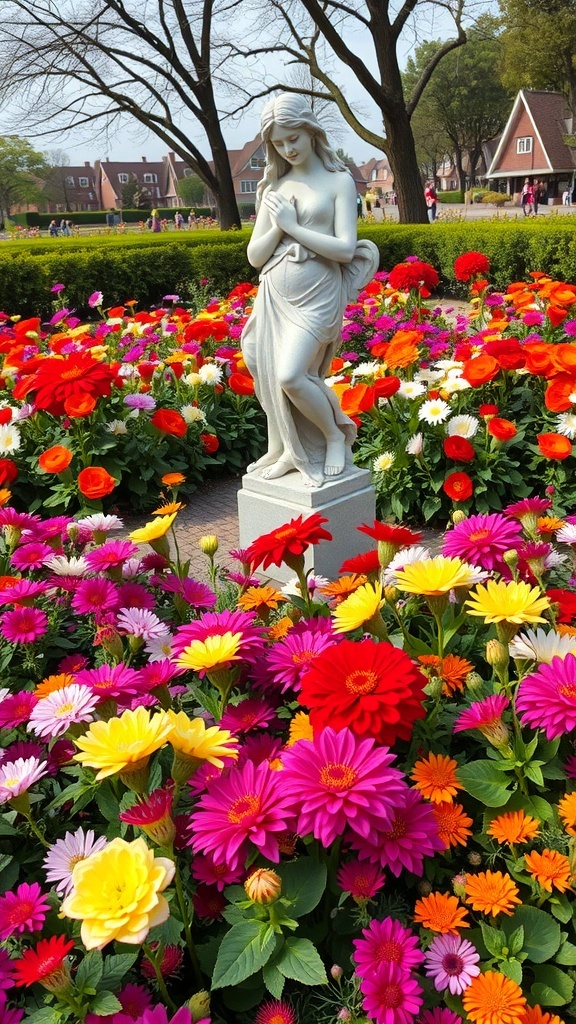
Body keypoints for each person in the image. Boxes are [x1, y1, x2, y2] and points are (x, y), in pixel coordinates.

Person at [241, 92, 379, 487]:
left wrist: (295, 227)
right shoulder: (274, 187)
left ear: (311, 132)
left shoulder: (338, 182)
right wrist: (280, 224)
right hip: (274, 293)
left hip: (317, 295)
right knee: (264, 368)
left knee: (290, 375)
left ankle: (335, 436)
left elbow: (344, 248)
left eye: (293, 139)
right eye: (279, 143)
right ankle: (283, 448)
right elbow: (255, 255)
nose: (287, 149)